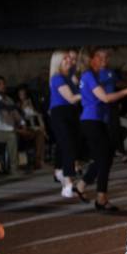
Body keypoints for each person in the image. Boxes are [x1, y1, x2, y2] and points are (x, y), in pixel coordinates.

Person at [78, 48, 127, 211]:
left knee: (104, 157)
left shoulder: (91, 75)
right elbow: (105, 98)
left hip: (96, 120)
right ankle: (100, 197)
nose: (103, 60)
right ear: (91, 60)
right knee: (104, 157)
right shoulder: (89, 75)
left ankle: (85, 186)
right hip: (92, 120)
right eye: (98, 57)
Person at [0, 76, 45, 173]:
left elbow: (16, 114)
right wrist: (16, 130)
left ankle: (38, 161)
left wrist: (22, 123)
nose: (2, 86)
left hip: (13, 128)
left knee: (38, 133)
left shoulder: (8, 100)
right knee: (12, 136)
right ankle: (14, 167)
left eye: (3, 83)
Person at [47, 51, 84, 199]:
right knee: (68, 146)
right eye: (65, 59)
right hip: (60, 113)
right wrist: (91, 92)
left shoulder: (69, 76)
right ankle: (68, 183)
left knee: (68, 145)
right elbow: (71, 98)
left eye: (69, 58)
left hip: (71, 112)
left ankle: (60, 172)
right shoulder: (57, 78)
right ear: (58, 62)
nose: (69, 60)